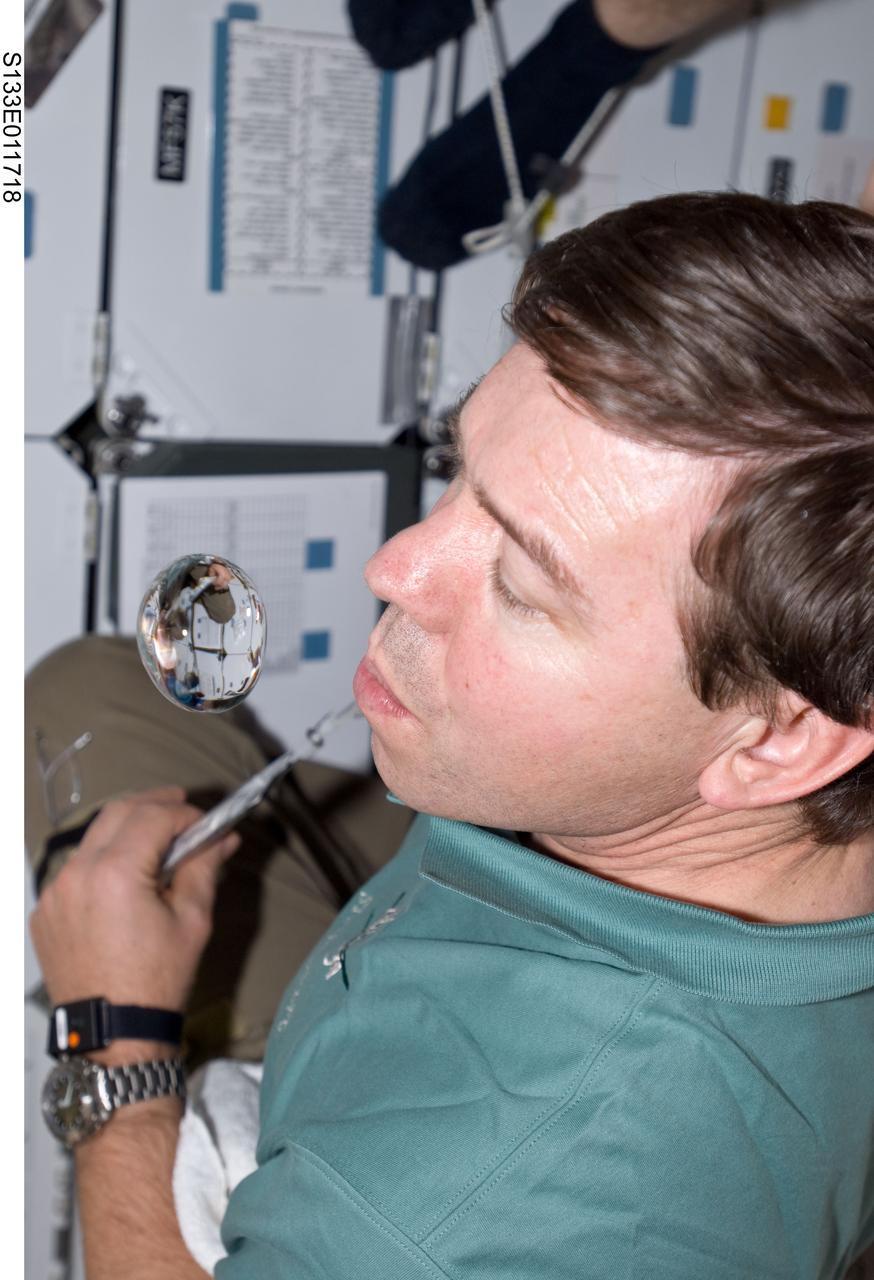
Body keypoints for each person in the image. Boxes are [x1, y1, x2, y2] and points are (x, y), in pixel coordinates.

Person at [27, 188, 874, 1279]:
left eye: (521, 584)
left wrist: (115, 1043)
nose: (396, 564)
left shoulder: (453, 1213)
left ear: (777, 743)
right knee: (94, 686)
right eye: (460, 469)